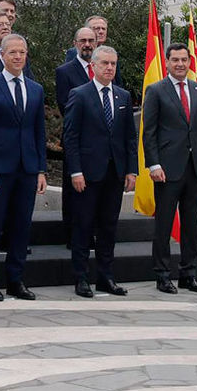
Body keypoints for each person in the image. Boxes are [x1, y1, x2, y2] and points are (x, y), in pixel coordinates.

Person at [0, 34, 47, 302]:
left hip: (27, 170)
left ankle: (16, 280)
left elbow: (39, 132)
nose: (18, 57)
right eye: (13, 52)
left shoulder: (35, 89)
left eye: (22, 52)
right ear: (2, 55)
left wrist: (41, 170)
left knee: (21, 227)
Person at [61, 45, 137, 298]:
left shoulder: (123, 96)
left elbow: (129, 137)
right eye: (105, 63)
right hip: (87, 174)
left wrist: (131, 171)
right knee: (83, 226)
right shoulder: (79, 94)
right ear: (93, 66)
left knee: (108, 227)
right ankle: (81, 278)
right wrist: (75, 171)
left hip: (115, 173)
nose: (110, 68)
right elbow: (70, 137)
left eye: (113, 64)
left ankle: (106, 277)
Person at [142, 42, 197, 294]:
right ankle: (162, 275)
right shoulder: (156, 90)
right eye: (175, 60)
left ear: (189, 62)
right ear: (167, 62)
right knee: (163, 225)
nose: (180, 64)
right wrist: (153, 164)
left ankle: (188, 274)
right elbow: (149, 132)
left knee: (192, 224)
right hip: (166, 170)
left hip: (195, 169)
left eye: (184, 60)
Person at [55, 27, 96, 114]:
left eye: (91, 41)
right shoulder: (64, 72)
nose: (87, 44)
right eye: (83, 41)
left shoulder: (106, 68)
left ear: (96, 43)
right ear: (75, 43)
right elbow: (65, 107)